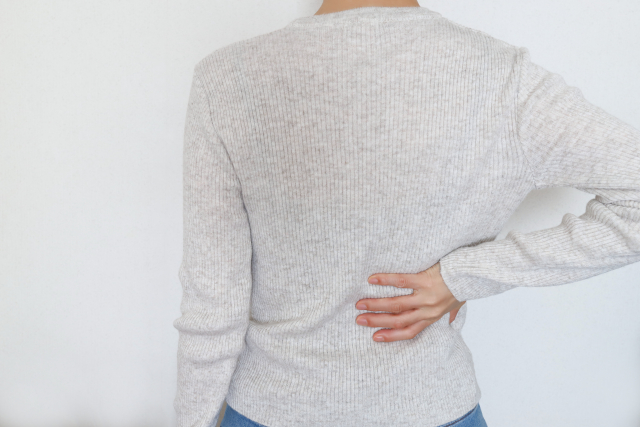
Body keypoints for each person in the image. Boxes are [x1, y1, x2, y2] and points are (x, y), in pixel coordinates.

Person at [173, 0, 640, 426]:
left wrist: (465, 276)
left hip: (272, 407)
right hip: (432, 406)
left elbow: (213, 303)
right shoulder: (503, 80)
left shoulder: (226, 80)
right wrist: (461, 278)